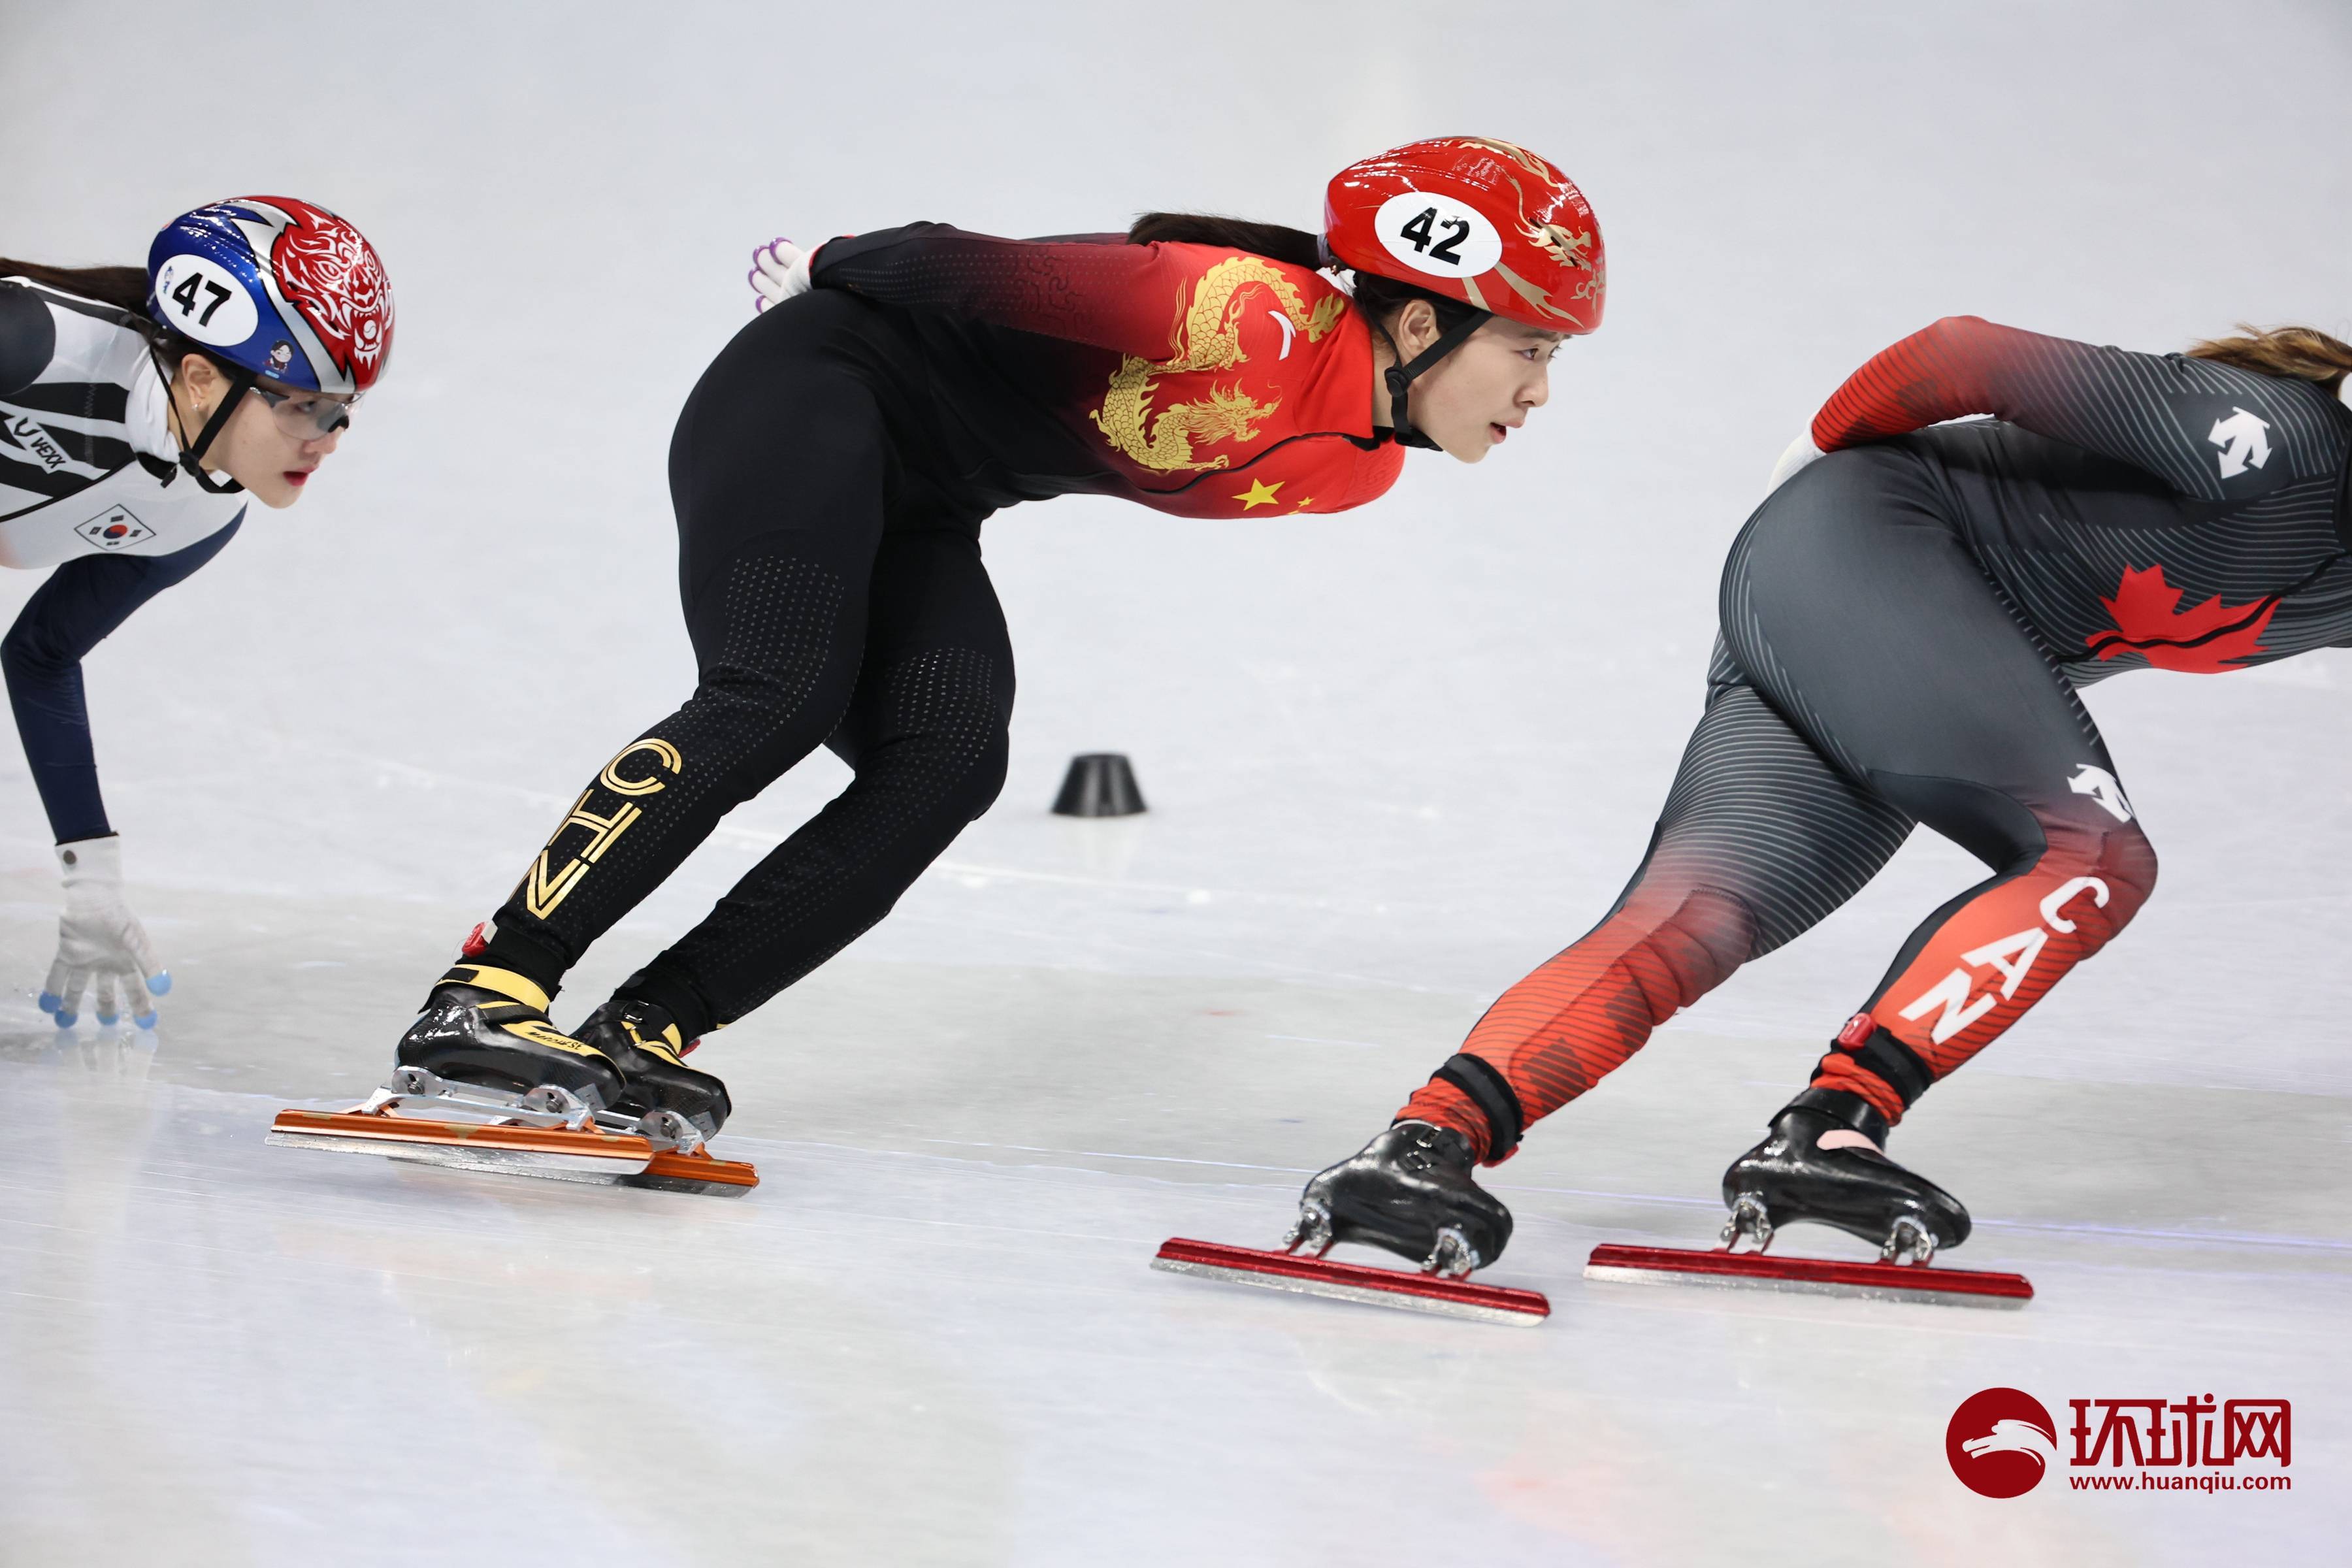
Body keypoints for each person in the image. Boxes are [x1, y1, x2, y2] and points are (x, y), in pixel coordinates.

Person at [392, 137, 1607, 1140]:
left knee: (950, 763)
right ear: (1417, 326)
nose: (1543, 393)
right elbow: (971, 266)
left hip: (935, 496)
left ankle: (645, 1026)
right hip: (817, 389)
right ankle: (492, 988)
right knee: (781, 690)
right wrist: (827, 262)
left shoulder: (1358, 473)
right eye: (1531, 349)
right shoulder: (1241, 315)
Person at [1299, 313, 2352, 1277]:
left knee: (1705, 910)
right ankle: (1833, 1127)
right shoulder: (2287, 439)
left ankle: (1422, 1148)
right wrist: (1815, 454)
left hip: (1873, 627)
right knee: (2092, 855)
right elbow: (1964, 357)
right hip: (1867, 547)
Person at [3, 197, 393, 1029]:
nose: (326, 438)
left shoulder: (202, 516)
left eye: (341, 411)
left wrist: (93, 882)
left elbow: (40, 654)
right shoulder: (29, 343)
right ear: (201, 376)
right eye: (301, 403)